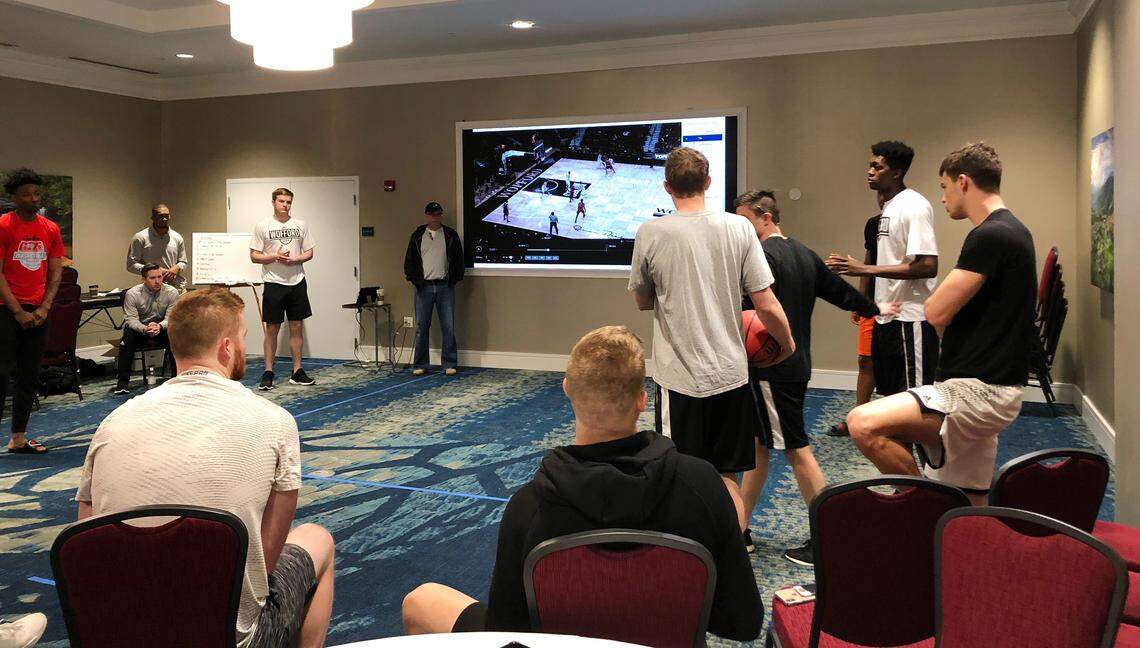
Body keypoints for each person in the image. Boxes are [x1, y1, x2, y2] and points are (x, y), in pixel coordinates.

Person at [401, 326, 762, 641]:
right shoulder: (702, 485)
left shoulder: (529, 506)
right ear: (641, 399)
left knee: (422, 601)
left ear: (567, 390)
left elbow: (507, 634)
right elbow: (743, 624)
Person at [76, 288, 336, 648]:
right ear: (227, 347)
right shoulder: (275, 421)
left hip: (118, 631)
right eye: (244, 338)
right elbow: (265, 565)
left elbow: (86, 531)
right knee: (317, 539)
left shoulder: (113, 422)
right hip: (224, 635)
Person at [846, 143, 1035, 506]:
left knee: (863, 423)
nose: (943, 197)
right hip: (990, 385)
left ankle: (923, 507)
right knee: (970, 502)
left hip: (975, 392)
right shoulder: (1014, 231)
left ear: (963, 182)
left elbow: (936, 311)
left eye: (945, 187)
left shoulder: (990, 235)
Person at [629, 147, 794, 532]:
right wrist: (786, 345)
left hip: (679, 380)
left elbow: (641, 300)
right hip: (731, 376)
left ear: (666, 186)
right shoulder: (739, 228)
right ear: (708, 182)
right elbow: (765, 301)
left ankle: (691, 564)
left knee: (678, 476)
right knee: (726, 478)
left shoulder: (650, 232)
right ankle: (735, 551)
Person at [733, 191, 898, 565]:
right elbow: (838, 292)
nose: (740, 228)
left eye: (744, 219)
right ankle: (739, 529)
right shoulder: (805, 254)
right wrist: (873, 308)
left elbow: (748, 313)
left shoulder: (761, 259)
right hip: (796, 366)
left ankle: (829, 535)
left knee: (796, 449)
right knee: (759, 446)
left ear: (764, 217)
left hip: (771, 371)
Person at [826, 141, 939, 397]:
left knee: (916, 401)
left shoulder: (914, 206)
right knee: (890, 397)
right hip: (886, 317)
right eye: (870, 166)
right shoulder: (889, 208)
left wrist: (865, 269)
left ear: (896, 173)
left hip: (912, 319)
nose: (870, 171)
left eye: (878, 167)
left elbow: (928, 266)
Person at [0, 168, 63, 455]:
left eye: (36, 194)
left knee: (29, 375)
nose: (33, 199)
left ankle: (18, 438)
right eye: (26, 194)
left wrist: (44, 307)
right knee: (2, 375)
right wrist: (17, 311)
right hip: (6, 310)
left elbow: (55, 270)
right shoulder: (4, 226)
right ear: (13, 197)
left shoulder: (50, 228)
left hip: (38, 311)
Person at [828, 190, 887, 437]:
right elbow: (867, 260)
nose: (882, 199)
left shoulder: (908, 222)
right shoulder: (873, 224)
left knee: (892, 366)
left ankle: (893, 421)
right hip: (873, 304)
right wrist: (860, 301)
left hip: (898, 306)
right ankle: (857, 418)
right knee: (865, 361)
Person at [250, 188, 316, 391]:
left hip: (297, 281)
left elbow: (309, 251)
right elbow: (254, 255)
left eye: (288, 202)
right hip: (273, 282)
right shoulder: (263, 225)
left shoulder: (301, 225)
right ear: (273, 202)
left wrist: (296, 258)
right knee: (272, 328)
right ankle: (268, 371)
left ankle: (297, 371)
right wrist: (274, 257)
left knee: (296, 326)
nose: (285, 205)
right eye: (281, 201)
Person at [403, 202, 464, 376]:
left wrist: (455, 278)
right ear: (427, 215)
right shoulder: (417, 236)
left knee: (448, 326)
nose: (436, 217)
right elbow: (409, 262)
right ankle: (420, 364)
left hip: (445, 285)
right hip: (424, 287)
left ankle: (449, 363)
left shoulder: (450, 235)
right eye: (433, 214)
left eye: (438, 214)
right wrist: (414, 280)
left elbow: (458, 260)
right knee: (422, 327)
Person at [114, 263, 180, 394]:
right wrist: (145, 329)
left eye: (160, 277)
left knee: (177, 334)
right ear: (144, 279)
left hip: (162, 327)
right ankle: (122, 384)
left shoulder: (172, 292)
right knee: (127, 337)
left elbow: (171, 318)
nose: (157, 281)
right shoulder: (132, 294)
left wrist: (159, 326)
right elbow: (131, 320)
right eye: (153, 278)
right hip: (141, 329)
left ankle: (177, 379)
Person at [126, 203, 188, 292]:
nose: (164, 219)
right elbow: (131, 265)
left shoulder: (177, 237)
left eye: (167, 216)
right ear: (153, 218)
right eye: (161, 216)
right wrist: (153, 271)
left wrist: (176, 268)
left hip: (175, 288)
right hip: (151, 289)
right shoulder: (140, 237)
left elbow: (183, 262)